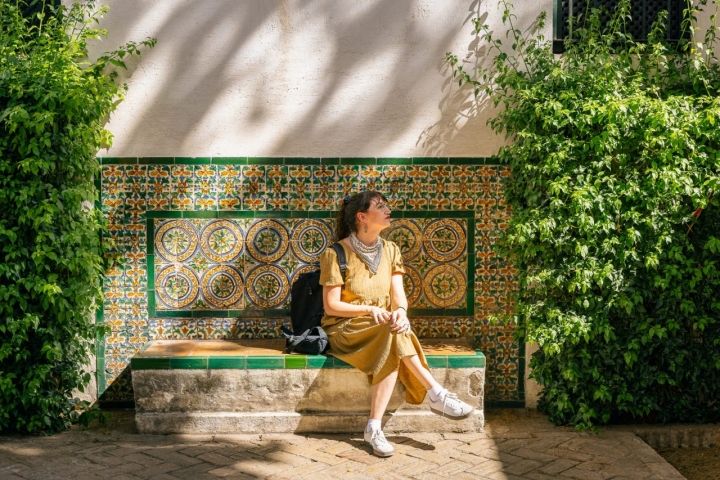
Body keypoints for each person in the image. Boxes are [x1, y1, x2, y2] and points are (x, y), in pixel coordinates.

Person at [318, 191, 473, 458]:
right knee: (391, 333)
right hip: (345, 329)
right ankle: (436, 393)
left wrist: (401, 312)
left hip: (382, 328)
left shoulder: (390, 250)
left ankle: (374, 427)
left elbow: (398, 295)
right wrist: (370, 309)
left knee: (394, 331)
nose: (388, 209)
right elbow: (332, 307)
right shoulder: (336, 253)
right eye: (380, 206)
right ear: (362, 216)